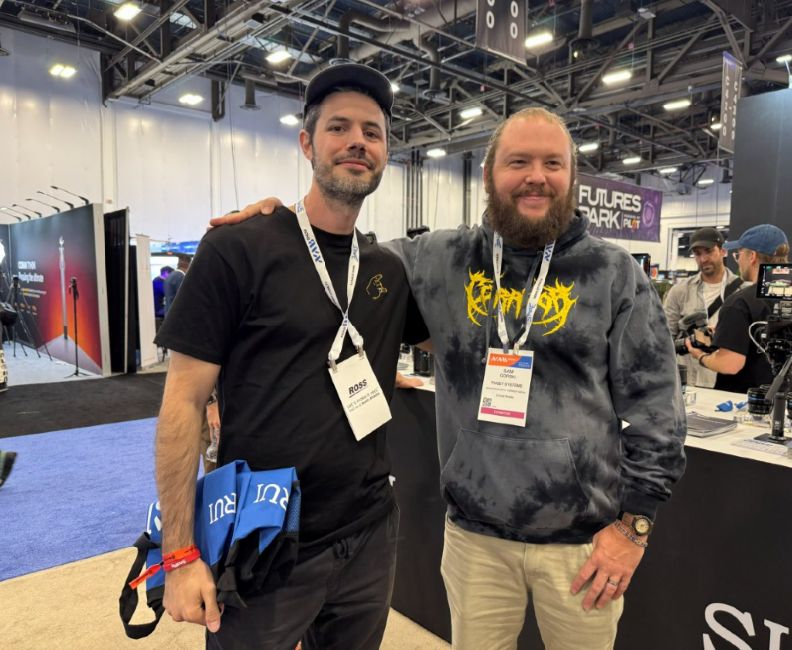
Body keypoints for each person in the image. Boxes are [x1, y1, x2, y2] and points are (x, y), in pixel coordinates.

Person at [215, 107, 687, 649]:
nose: (536, 176)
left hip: (581, 544)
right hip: (474, 539)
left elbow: (657, 408)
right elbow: (343, 258)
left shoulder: (612, 272)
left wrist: (635, 527)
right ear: (488, 175)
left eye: (553, 163)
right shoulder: (439, 258)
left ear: (572, 176)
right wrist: (280, 224)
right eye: (519, 162)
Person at [153, 63, 428, 650]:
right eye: (338, 128)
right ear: (307, 143)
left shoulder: (387, 270)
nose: (357, 142)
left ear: (386, 154)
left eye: (373, 132)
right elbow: (182, 402)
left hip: (369, 532)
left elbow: (447, 342)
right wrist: (179, 553)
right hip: (265, 533)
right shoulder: (238, 248)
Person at [687, 224, 792, 394]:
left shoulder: (739, 302)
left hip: (741, 401)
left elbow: (729, 365)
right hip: (783, 398)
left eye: (739, 254)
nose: (738, 261)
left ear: (752, 256)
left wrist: (699, 356)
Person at [664, 227, 747, 388]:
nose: (703, 259)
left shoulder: (743, 291)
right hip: (687, 381)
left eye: (708, 251)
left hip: (726, 382)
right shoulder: (679, 291)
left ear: (723, 251)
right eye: (697, 254)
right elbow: (666, 338)